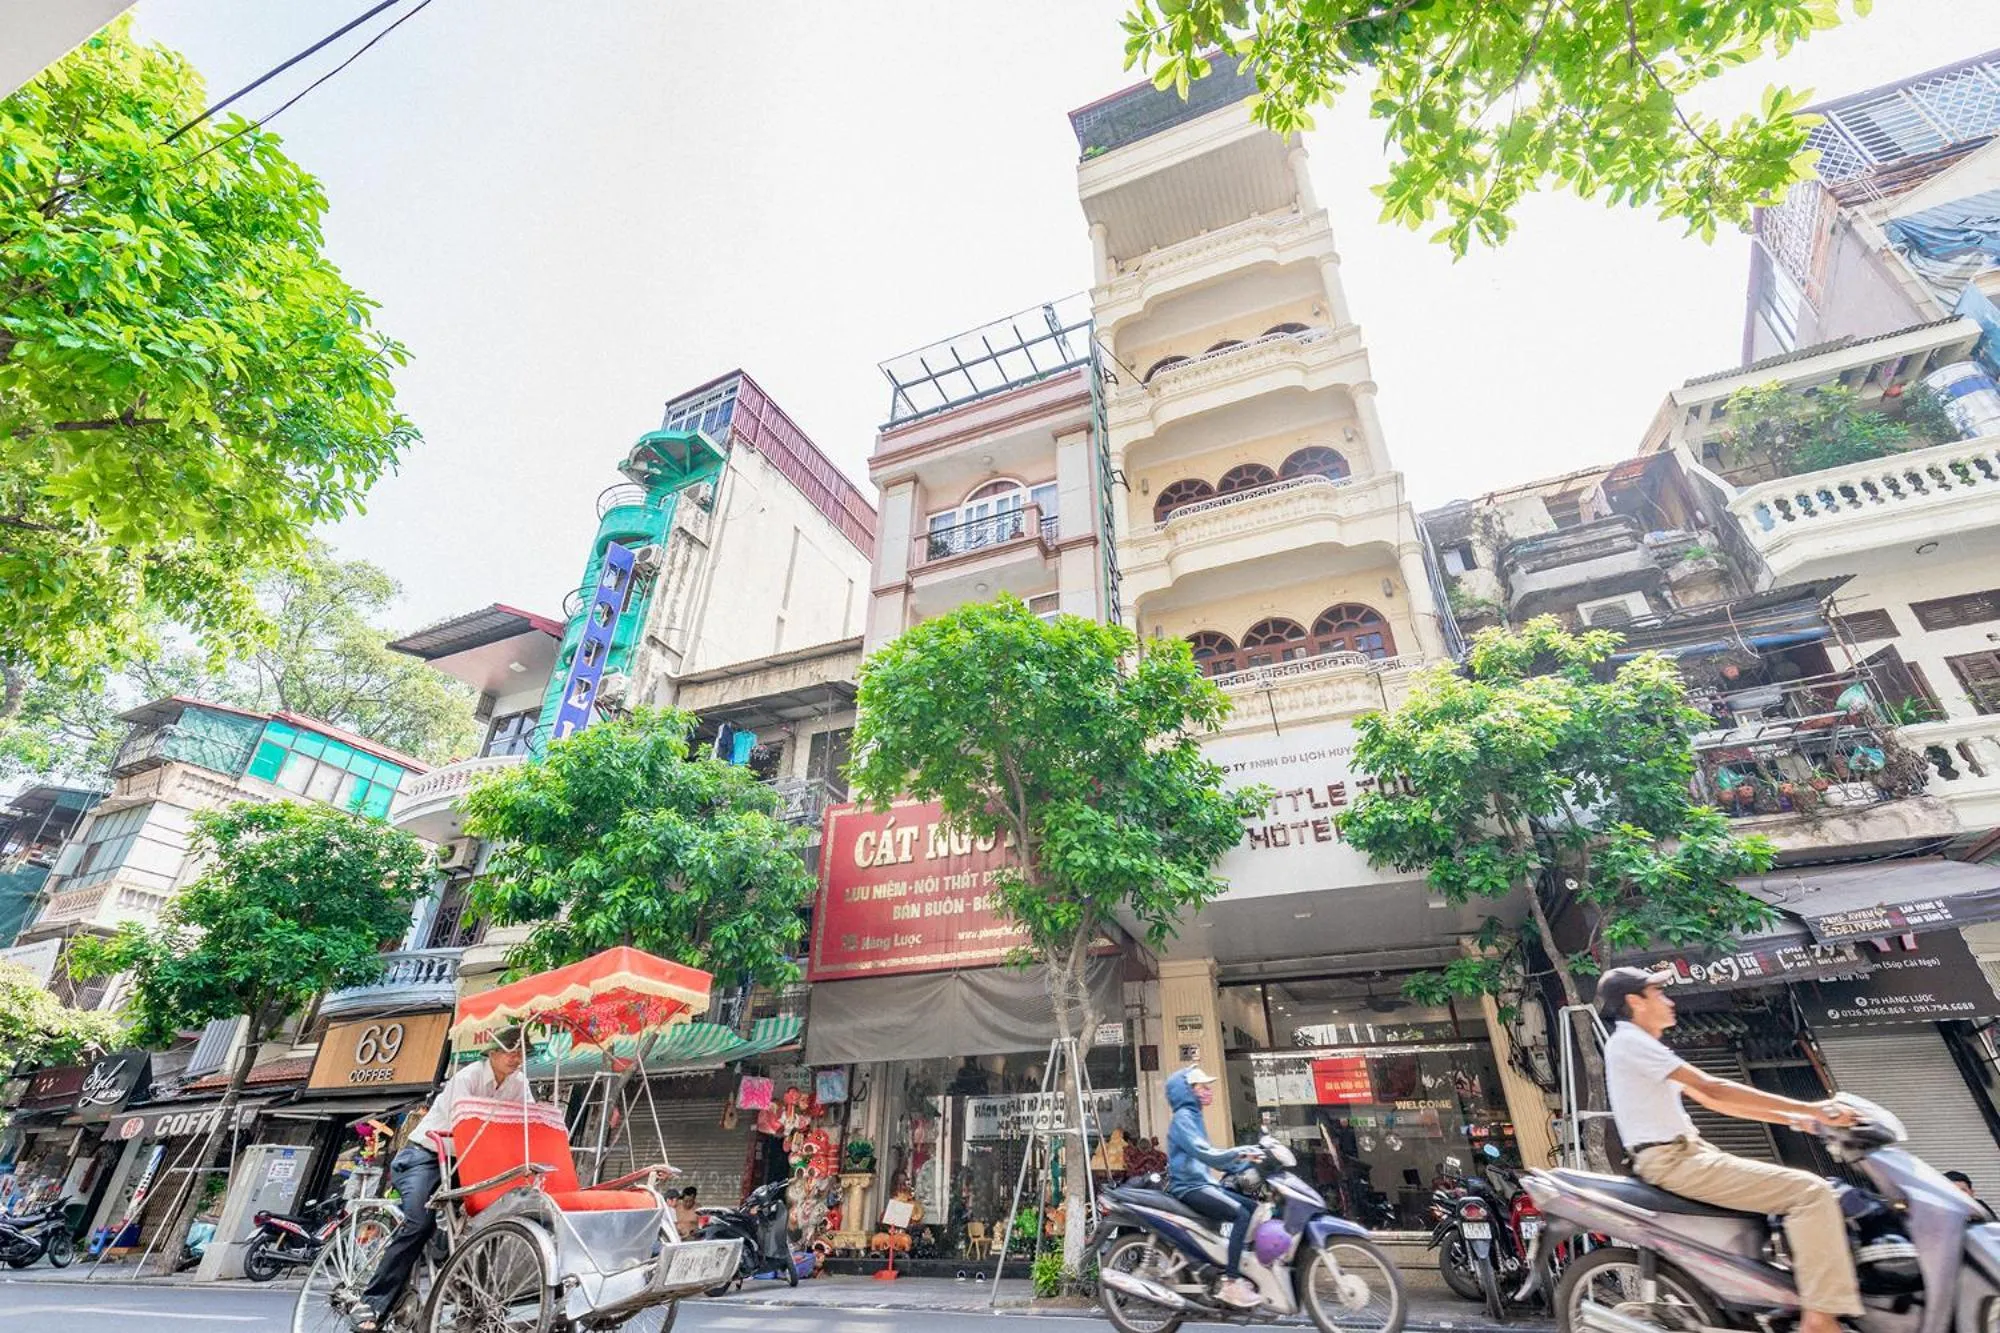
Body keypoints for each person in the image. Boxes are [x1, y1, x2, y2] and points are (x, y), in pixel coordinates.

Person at [1597, 967, 1860, 1333]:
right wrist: (1813, 1109)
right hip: (1675, 1160)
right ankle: (1820, 1318)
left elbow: (1717, 1101)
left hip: (1690, 1153)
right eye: (1659, 993)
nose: (1669, 1001)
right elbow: (1714, 1088)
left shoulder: (1638, 1043)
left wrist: (1797, 1117)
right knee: (1811, 1194)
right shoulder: (1631, 1042)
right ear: (1634, 1001)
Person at [352, 1026, 528, 1333]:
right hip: (427, 1155)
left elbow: (525, 1120)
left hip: (471, 1160)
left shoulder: (519, 1083)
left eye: (521, 1053)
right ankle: (372, 1301)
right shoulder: (468, 1077)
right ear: (493, 1053)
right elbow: (465, 1126)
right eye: (510, 1051)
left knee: (493, 1220)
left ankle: (470, 1302)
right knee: (419, 1223)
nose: (516, 1059)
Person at [1164, 1066, 1263, 1309]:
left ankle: (1240, 1265)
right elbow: (1205, 1153)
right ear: (1187, 1090)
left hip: (1202, 1183)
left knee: (1254, 1209)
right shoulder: (1184, 1118)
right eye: (1201, 1087)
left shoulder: (1194, 1116)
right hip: (1189, 1187)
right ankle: (1231, 1282)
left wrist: (1243, 1159)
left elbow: (1213, 1157)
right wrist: (1241, 1152)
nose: (1208, 1091)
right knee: (1241, 1214)